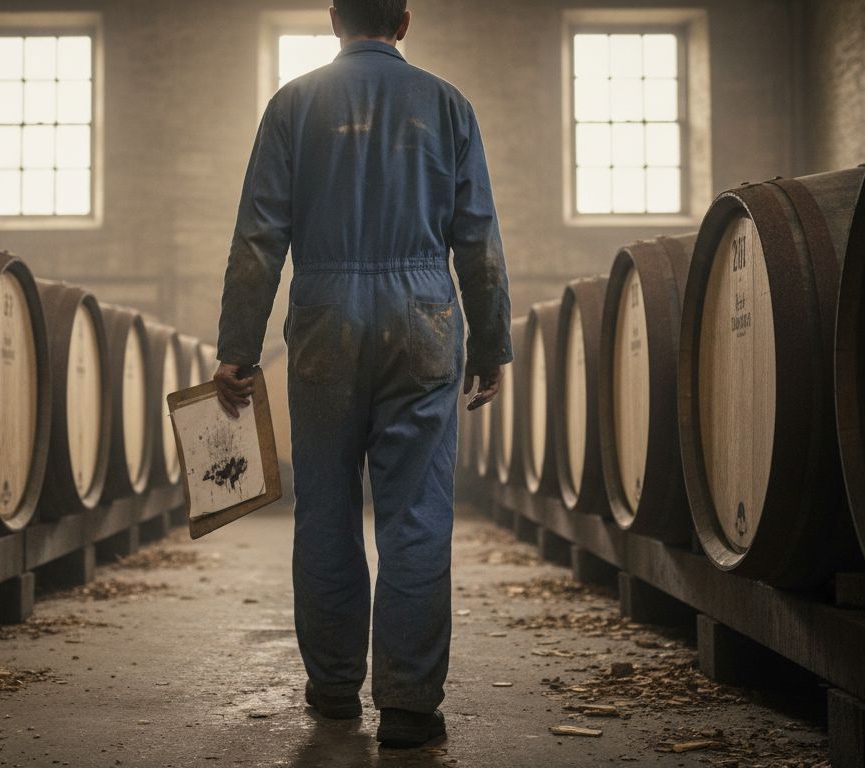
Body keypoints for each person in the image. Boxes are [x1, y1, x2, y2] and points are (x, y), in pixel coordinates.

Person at [213, 0, 510, 749]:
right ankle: (409, 705)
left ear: (335, 21)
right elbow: (476, 237)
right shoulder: (448, 105)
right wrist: (491, 343)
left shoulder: (293, 104)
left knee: (327, 511)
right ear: (403, 23)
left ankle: (336, 690)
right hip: (423, 318)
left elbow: (257, 237)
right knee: (417, 512)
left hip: (324, 319)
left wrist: (237, 348)